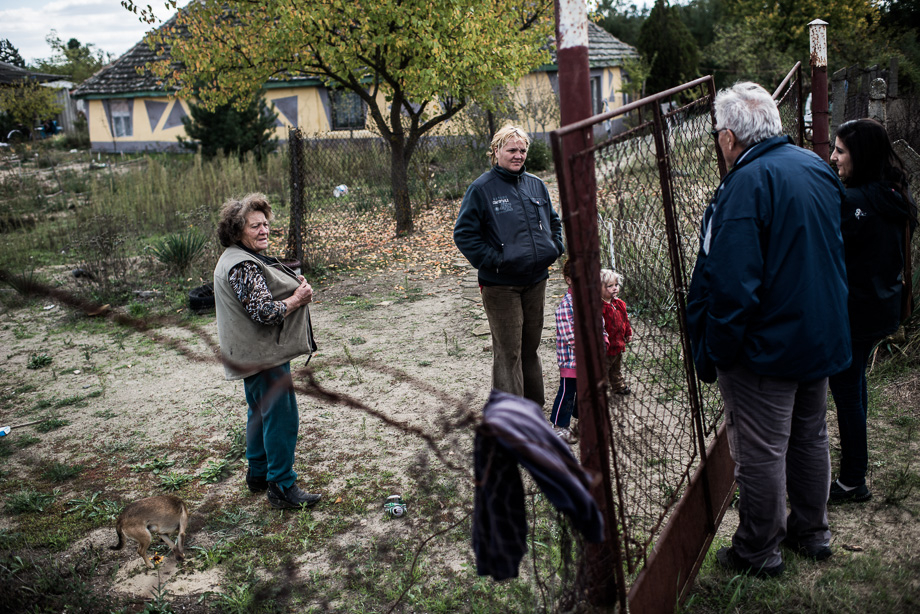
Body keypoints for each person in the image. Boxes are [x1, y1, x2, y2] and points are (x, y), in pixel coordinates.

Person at [686, 82, 851, 577]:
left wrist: (719, 349)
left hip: (765, 347)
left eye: (718, 132)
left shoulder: (744, 185)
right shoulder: (815, 168)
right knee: (808, 436)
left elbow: (733, 282)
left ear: (731, 137)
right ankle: (812, 531)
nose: (718, 140)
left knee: (761, 450)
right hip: (817, 333)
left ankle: (758, 550)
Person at [828, 119, 918, 504]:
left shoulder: (853, 202)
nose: (833, 157)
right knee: (855, 383)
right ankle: (855, 467)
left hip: (856, 311)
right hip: (883, 306)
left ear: (861, 155)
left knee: (846, 390)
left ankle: (852, 480)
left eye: (841, 150)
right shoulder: (892, 193)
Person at [214, 193, 321, 510]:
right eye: (254, 226)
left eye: (265, 224)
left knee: (260, 413)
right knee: (281, 417)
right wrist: (297, 298)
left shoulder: (236, 258)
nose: (263, 231)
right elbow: (265, 312)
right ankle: (282, 485)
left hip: (250, 354)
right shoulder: (243, 265)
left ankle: (259, 474)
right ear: (237, 231)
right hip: (263, 355)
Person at [453, 125, 564, 406]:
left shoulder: (536, 184)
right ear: (496, 151)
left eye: (522, 150)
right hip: (501, 286)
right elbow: (464, 234)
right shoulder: (481, 189)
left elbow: (553, 221)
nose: (518, 155)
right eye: (511, 149)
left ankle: (534, 412)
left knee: (530, 350)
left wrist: (556, 246)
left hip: (536, 280)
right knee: (508, 353)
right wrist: (496, 261)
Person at [600, 269, 632, 396]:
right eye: (610, 286)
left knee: (616, 368)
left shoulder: (619, 304)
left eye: (616, 285)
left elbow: (625, 320)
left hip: (618, 343)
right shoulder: (599, 307)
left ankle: (618, 386)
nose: (615, 288)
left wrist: (628, 333)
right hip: (605, 348)